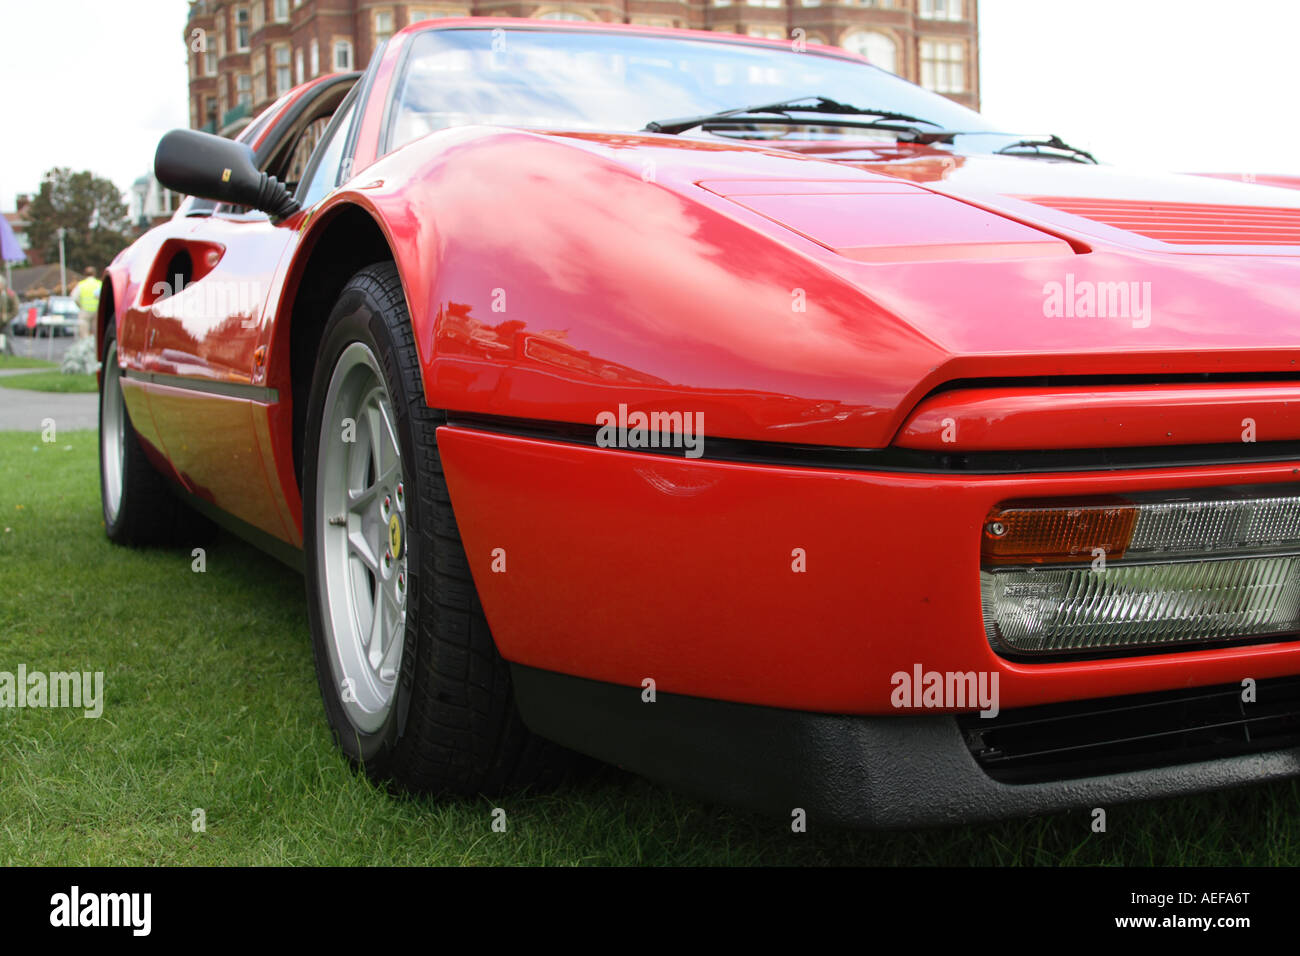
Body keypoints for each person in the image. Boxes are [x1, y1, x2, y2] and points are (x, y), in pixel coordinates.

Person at [71, 266, 102, 340]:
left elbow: (74, 297)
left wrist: (80, 306)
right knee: (96, 335)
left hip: (85, 312)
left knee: (84, 335)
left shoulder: (81, 285)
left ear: (85, 274)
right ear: (94, 274)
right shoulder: (99, 284)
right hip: (97, 312)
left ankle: (87, 349)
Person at [0, 276, 18, 355]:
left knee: (7, 341)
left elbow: (15, 309)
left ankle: (10, 355)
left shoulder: (10, 294)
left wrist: (7, 317)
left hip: (5, 322)